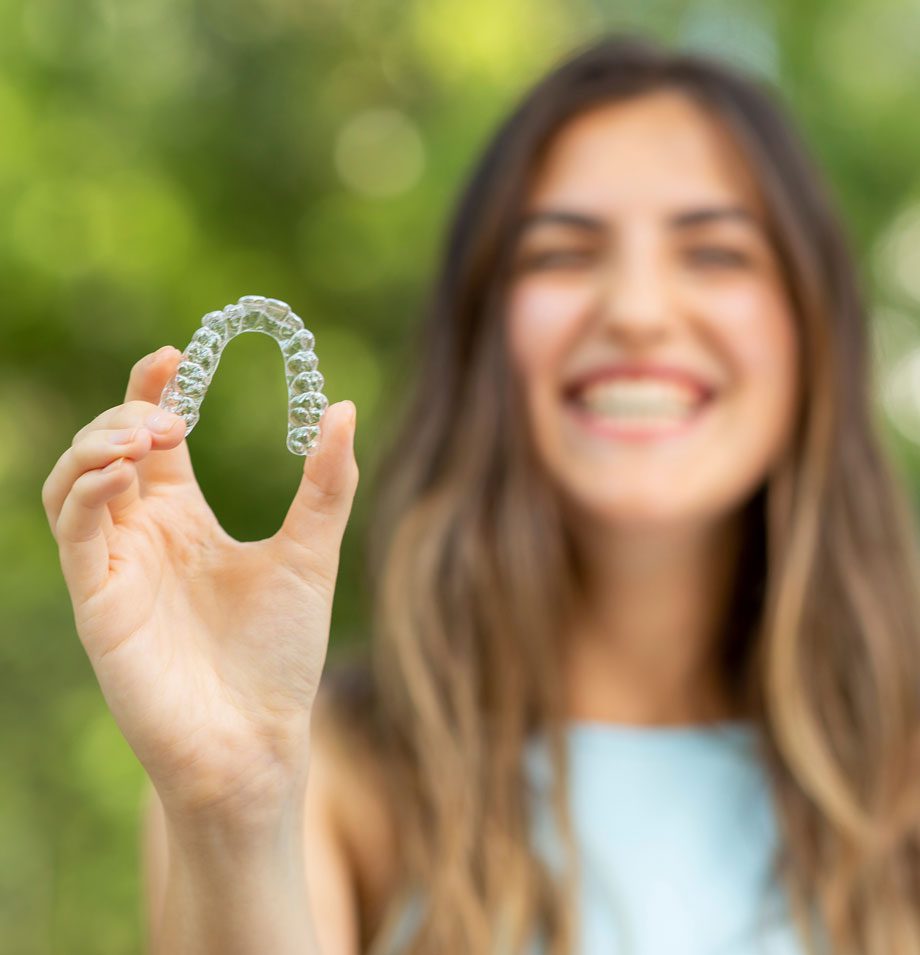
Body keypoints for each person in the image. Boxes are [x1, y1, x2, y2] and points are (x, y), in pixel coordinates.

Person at [41, 33, 920, 955]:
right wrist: (234, 808)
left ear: (814, 330)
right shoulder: (328, 771)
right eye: (561, 254)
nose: (636, 309)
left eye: (715, 253)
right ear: (483, 338)